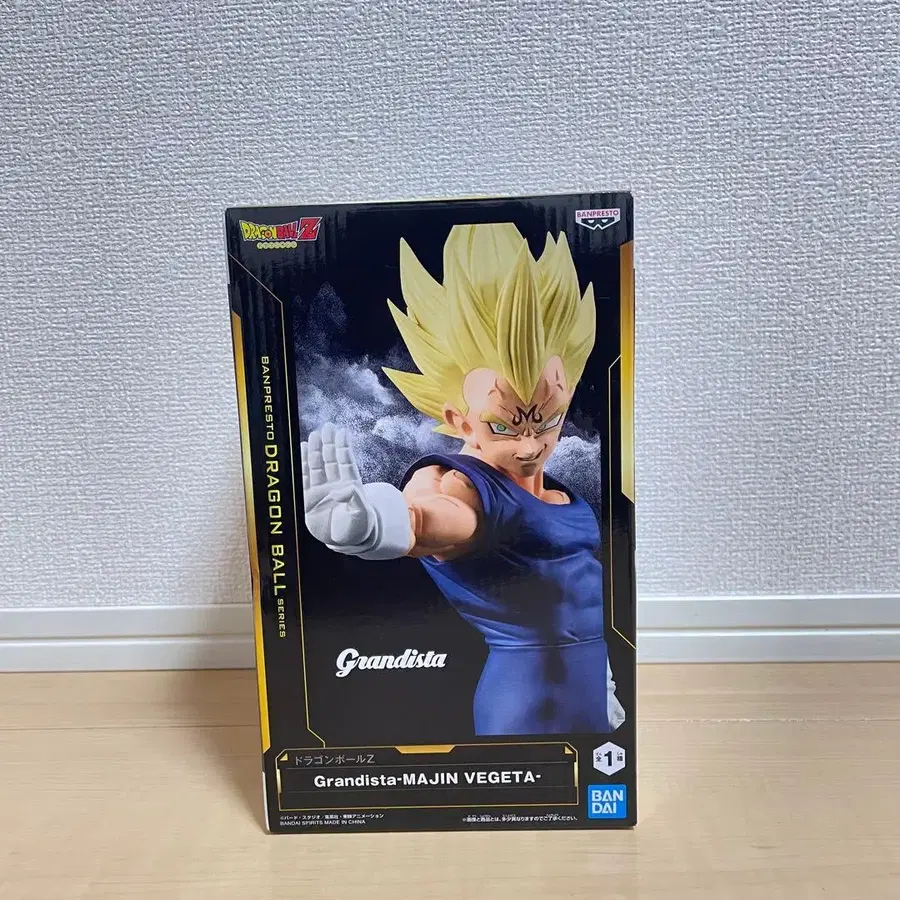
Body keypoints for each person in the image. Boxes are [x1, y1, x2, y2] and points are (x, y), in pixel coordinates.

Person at [301, 222, 625, 736]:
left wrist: (603, 675)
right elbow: (433, 517)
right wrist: (373, 527)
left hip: (590, 695)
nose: (530, 445)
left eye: (548, 419)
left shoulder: (558, 493)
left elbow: (577, 598)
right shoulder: (465, 487)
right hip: (528, 706)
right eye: (504, 425)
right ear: (458, 419)